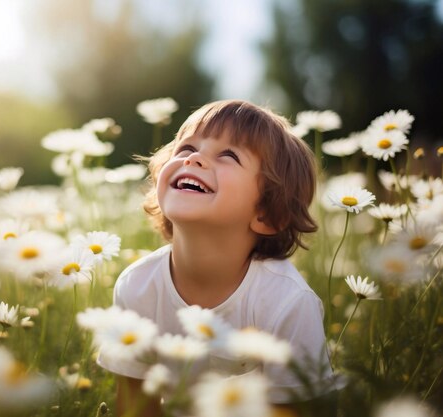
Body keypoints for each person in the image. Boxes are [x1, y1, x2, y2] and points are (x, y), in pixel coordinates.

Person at [97, 100, 342, 416]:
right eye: (185, 148)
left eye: (228, 155)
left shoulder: (286, 302)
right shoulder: (137, 286)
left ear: (267, 212)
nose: (195, 158)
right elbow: (135, 407)